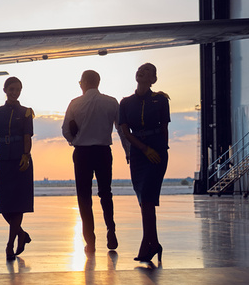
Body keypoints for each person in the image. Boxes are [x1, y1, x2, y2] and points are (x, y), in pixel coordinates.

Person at [62, 70, 125, 254]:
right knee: (106, 193)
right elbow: (121, 129)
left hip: (82, 153)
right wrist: (128, 152)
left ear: (83, 83)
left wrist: (75, 140)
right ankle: (111, 230)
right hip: (103, 151)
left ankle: (90, 240)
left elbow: (65, 129)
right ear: (98, 82)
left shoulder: (75, 103)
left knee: (84, 197)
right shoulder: (111, 102)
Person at [118, 63, 170, 263]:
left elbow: (164, 128)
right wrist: (143, 149)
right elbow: (125, 132)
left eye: (148, 71)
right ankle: (154, 243)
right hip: (139, 154)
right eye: (140, 69)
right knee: (144, 201)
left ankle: (147, 242)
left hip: (156, 153)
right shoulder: (126, 102)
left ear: (153, 80)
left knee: (148, 198)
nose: (142, 71)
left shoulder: (161, 100)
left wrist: (159, 151)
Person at [0, 77, 34, 261]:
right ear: (5, 89)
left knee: (19, 204)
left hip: (21, 160)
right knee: (4, 205)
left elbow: (27, 136)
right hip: (3, 159)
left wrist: (26, 155)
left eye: (18, 89)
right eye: (12, 89)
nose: (15, 92)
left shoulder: (26, 112)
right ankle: (21, 234)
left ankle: (10, 244)